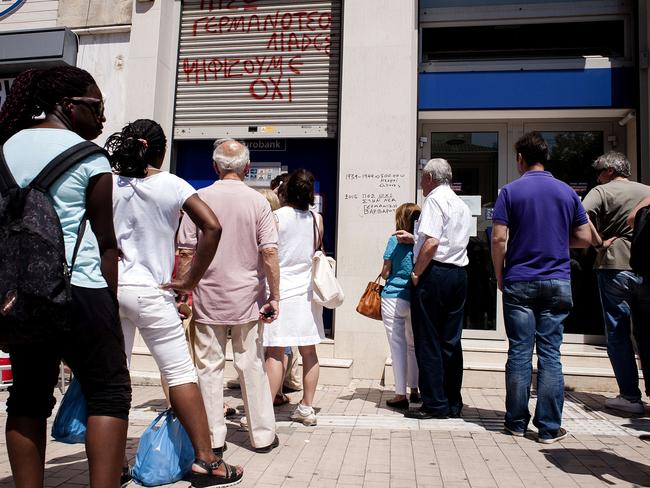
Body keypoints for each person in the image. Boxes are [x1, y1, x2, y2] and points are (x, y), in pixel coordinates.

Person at [0, 66, 131, 487]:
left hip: (22, 295)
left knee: (27, 395)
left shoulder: (4, 147)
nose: (102, 118)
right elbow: (106, 240)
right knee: (109, 393)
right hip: (82, 290)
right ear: (68, 105)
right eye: (96, 107)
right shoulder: (90, 157)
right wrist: (108, 305)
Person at [107, 119, 243, 485]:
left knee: (114, 378)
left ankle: (114, 464)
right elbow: (212, 226)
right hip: (153, 292)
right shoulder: (171, 184)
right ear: (159, 150)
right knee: (181, 373)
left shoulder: (109, 184)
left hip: (111, 291)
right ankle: (207, 460)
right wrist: (189, 279)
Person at [177, 139, 280, 453]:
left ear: (215, 166)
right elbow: (270, 252)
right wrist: (275, 296)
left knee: (208, 368)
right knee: (251, 364)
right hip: (248, 299)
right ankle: (262, 436)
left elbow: (185, 251)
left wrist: (183, 294)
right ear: (247, 168)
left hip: (208, 297)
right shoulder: (258, 202)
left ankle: (213, 436)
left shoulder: (199, 199)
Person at [491, 131, 593, 444]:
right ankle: (549, 428)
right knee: (551, 354)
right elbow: (586, 238)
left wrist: (499, 274)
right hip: (558, 280)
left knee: (520, 352)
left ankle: (516, 423)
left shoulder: (509, 191)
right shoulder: (567, 193)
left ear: (520, 158)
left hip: (519, 279)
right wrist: (558, 243)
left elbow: (497, 238)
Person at [398, 158, 471, 420]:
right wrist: (415, 239)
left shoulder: (434, 201)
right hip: (458, 273)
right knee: (451, 340)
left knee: (428, 339)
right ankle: (453, 402)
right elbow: (447, 239)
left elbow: (432, 243)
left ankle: (434, 404)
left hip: (435, 273)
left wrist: (416, 272)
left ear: (430, 177)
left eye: (422, 176)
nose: (420, 181)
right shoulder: (459, 203)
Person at [582, 151, 650, 414]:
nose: (598, 177)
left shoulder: (602, 191)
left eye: (600, 171)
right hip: (645, 266)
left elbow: (579, 214)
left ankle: (630, 396)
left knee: (618, 331)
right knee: (646, 331)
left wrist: (599, 241)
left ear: (610, 171)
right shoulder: (646, 190)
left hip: (614, 264)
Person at [263, 169, 326, 426]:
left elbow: (268, 253)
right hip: (307, 292)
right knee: (309, 351)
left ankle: (264, 411)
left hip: (280, 290)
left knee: (275, 351)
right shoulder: (316, 219)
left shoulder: (276, 217)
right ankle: (307, 407)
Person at [380, 203, 420, 410]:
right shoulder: (420, 241)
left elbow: (385, 271)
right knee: (413, 345)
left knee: (397, 346)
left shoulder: (394, 239)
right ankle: (415, 389)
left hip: (393, 297)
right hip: (414, 297)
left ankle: (400, 394)